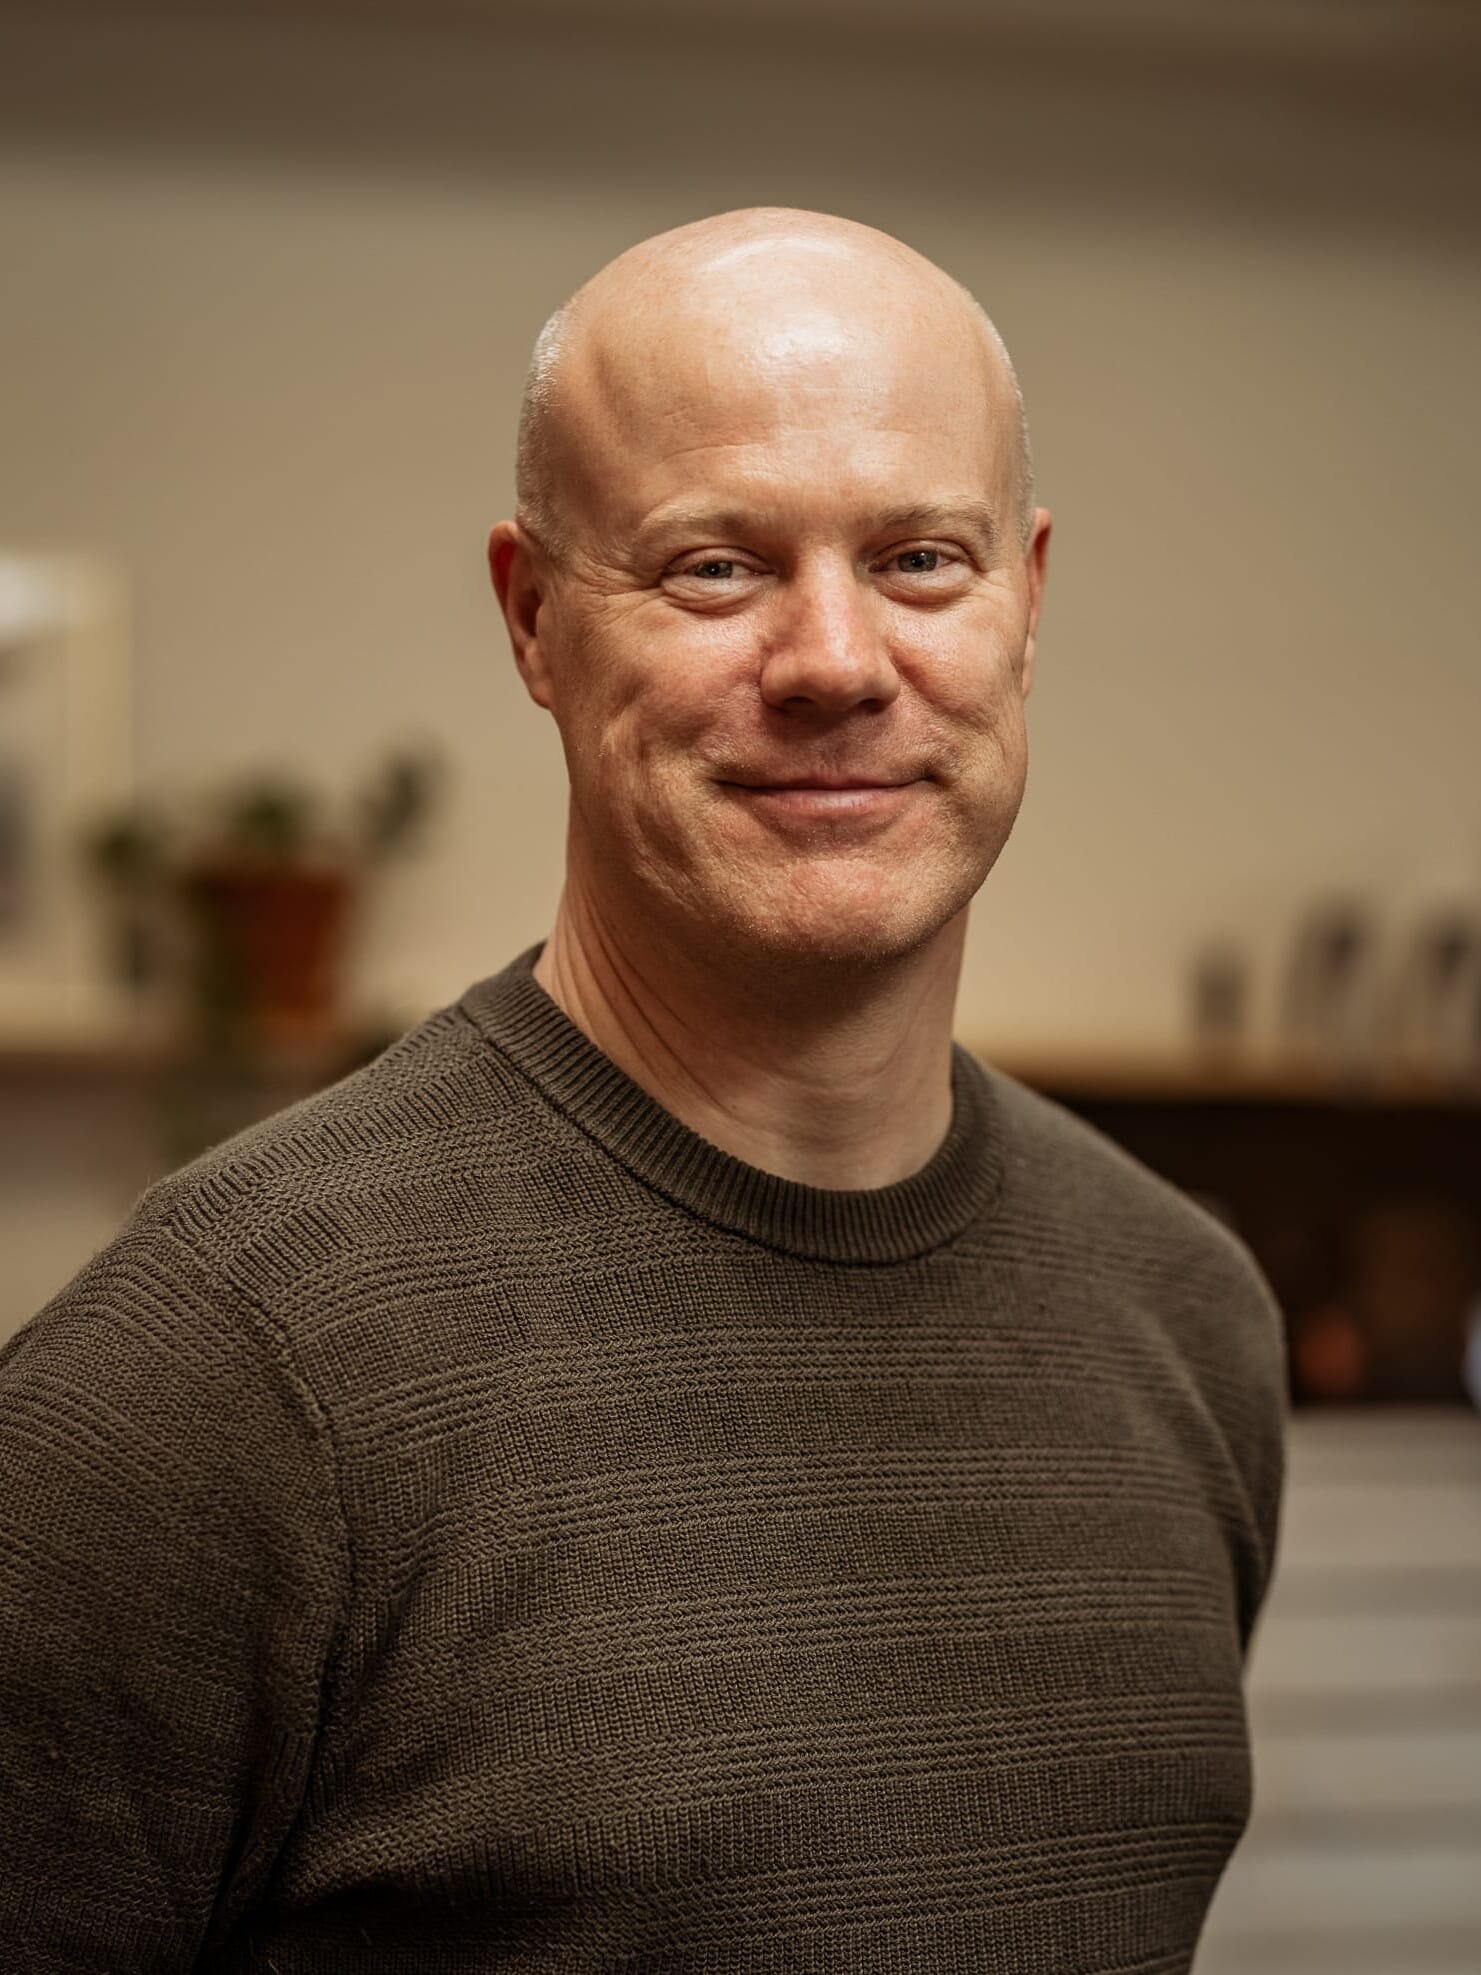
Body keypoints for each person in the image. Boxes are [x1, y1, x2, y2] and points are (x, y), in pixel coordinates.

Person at [1, 208, 1287, 1971]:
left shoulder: (1184, 1318)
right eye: (715, 568)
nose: (836, 660)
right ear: (535, 621)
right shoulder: (209, 1381)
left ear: (1027, 598)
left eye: (919, 560)